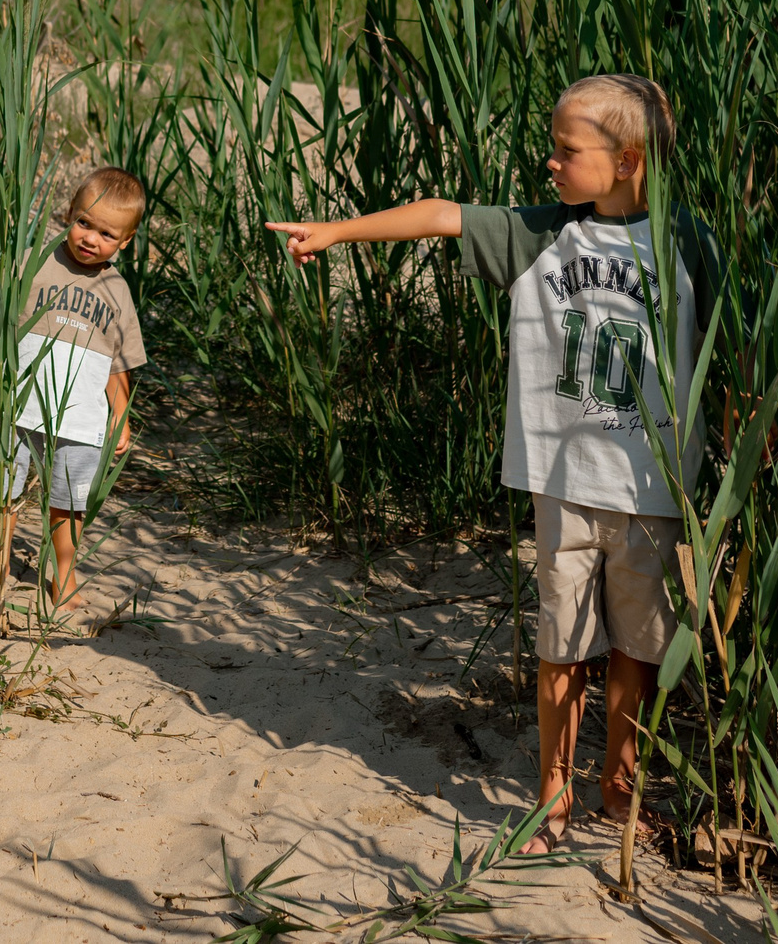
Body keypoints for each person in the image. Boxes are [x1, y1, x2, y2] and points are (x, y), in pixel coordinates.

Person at [266, 75, 717, 854]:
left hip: (653, 485)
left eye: (567, 151)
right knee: (561, 641)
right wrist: (338, 231)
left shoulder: (690, 244)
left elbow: (726, 348)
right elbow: (442, 214)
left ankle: (618, 780)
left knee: (640, 648)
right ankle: (552, 793)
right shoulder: (544, 233)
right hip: (563, 483)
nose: (550, 162)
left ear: (628, 159)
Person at [0, 166, 150, 619]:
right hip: (18, 406)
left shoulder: (117, 291)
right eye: (84, 222)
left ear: (125, 242)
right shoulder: (34, 260)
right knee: (0, 490)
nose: (90, 238)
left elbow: (118, 364)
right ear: (68, 213)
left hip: (80, 418)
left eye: (106, 233)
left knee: (68, 502)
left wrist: (120, 415)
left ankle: (63, 573)